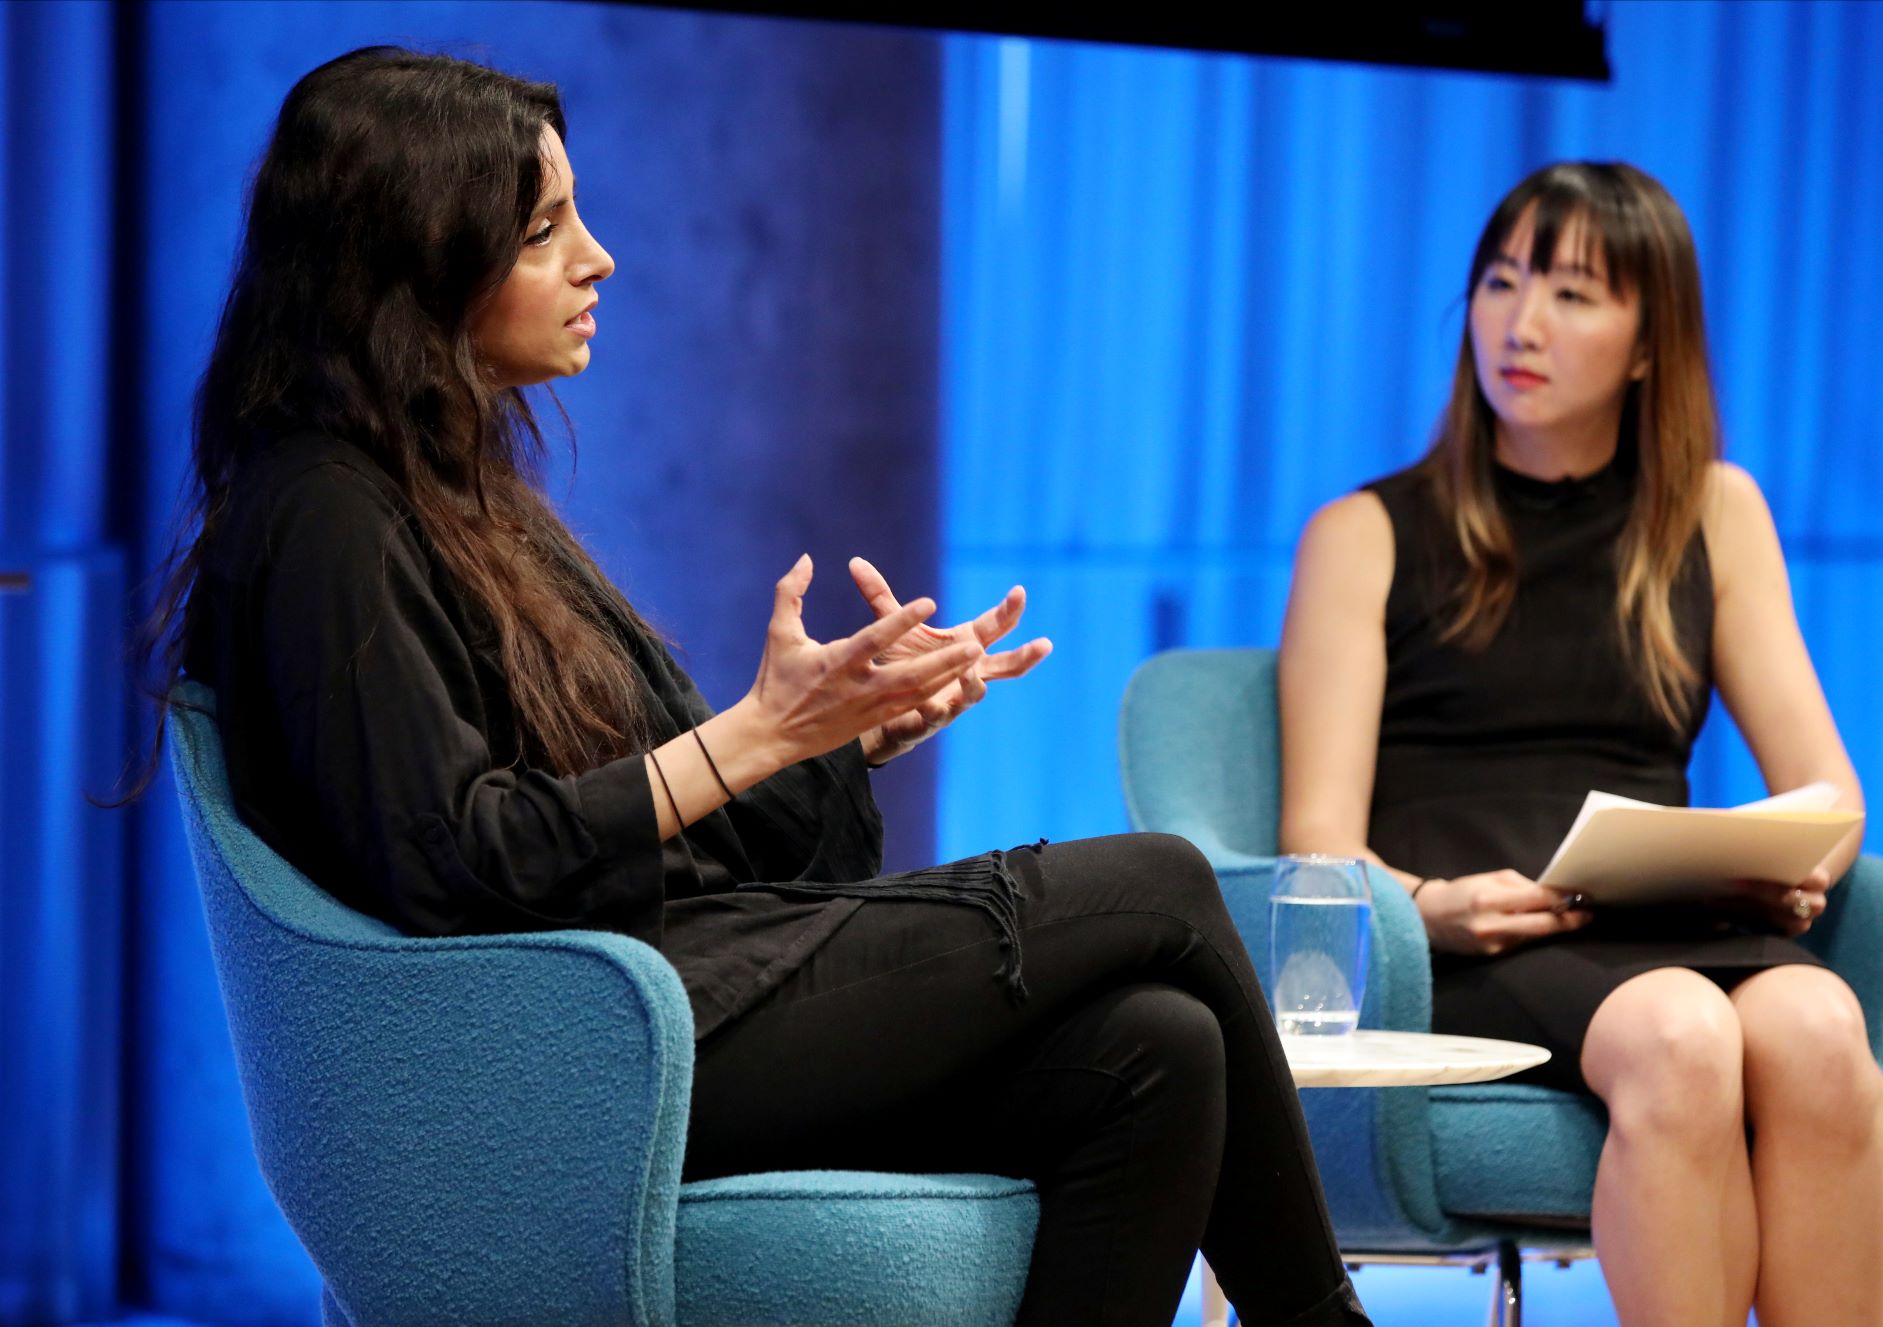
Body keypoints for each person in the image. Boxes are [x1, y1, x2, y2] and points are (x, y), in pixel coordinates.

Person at [139, 47, 1374, 1327]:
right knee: (1162, 879)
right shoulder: (323, 516)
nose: (596, 258)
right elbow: (450, 860)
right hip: (583, 1048)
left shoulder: (462, 495)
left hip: (663, 992)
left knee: (1157, 1051)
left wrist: (834, 732)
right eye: (543, 230)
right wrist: (751, 736)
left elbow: (702, 819)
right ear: (414, 257)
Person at [1278, 160, 1883, 1327]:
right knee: (1679, 1034)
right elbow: (1314, 839)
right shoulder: (1361, 533)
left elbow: (1827, 788)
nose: (1519, 323)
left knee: (1818, 1029)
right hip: (1465, 939)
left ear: (1648, 340)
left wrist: (1795, 860)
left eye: (1571, 294)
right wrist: (1430, 906)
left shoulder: (1714, 512)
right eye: (1499, 283)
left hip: (1654, 918)